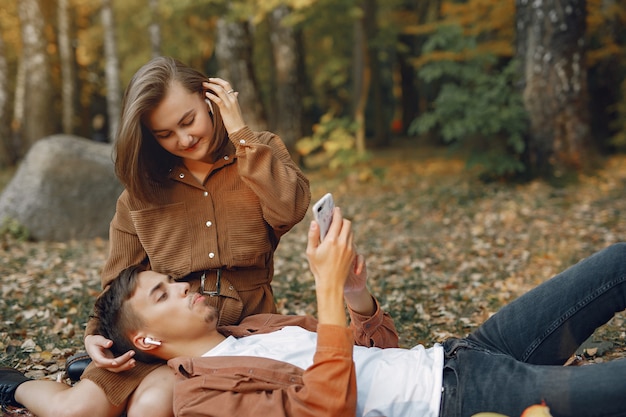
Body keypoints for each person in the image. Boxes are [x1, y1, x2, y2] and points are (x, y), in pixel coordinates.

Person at [6, 208, 625, 417]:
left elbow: (375, 354)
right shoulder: (200, 397)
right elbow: (325, 407)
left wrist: (355, 296)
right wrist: (327, 295)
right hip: (455, 399)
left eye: (172, 280)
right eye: (162, 294)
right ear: (145, 338)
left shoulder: (256, 327)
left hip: (464, 352)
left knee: (616, 261)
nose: (184, 288)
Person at [0, 56, 310, 417]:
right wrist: (96, 334)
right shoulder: (141, 191)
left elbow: (290, 209)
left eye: (188, 120)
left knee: (153, 405)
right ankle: (16, 386)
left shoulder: (258, 150)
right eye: (165, 134)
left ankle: (110, 384)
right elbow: (120, 278)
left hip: (237, 333)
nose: (184, 138)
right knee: (77, 411)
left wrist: (240, 133)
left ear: (209, 98)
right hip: (159, 331)